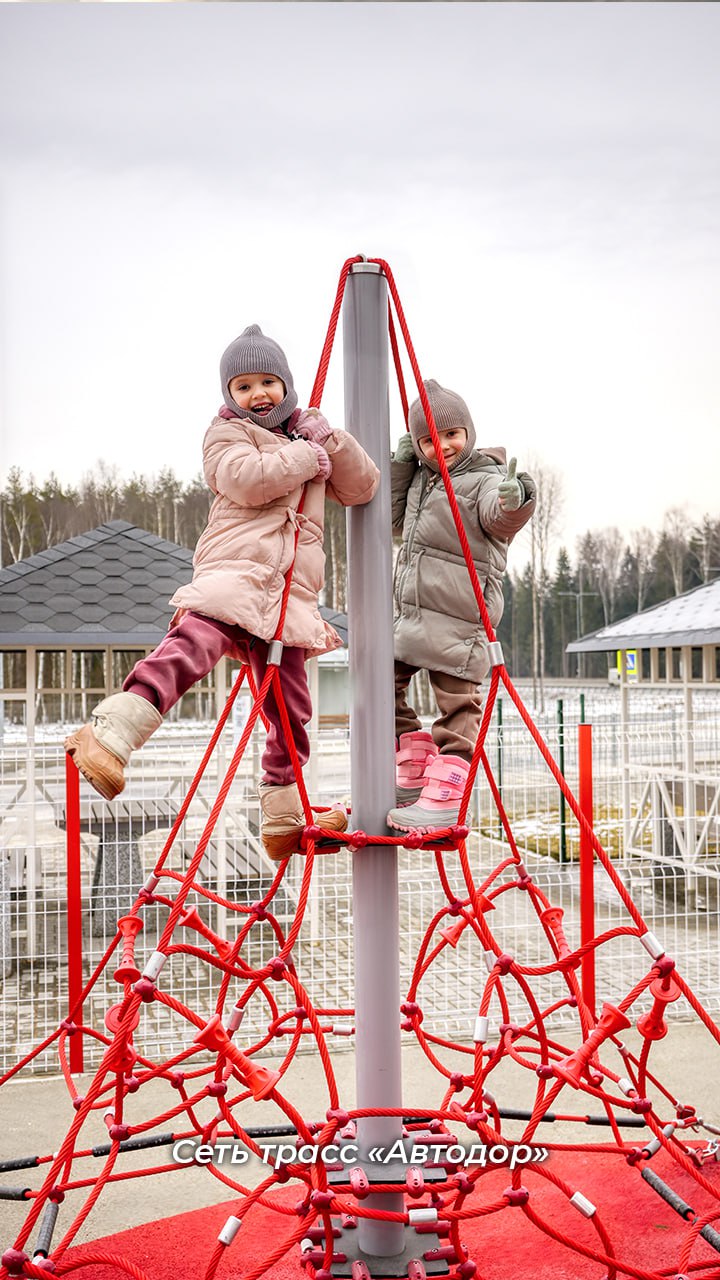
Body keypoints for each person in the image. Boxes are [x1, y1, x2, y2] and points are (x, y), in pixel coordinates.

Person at [66, 324, 380, 860]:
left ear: (286, 386)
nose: (257, 394)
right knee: (193, 646)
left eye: (267, 382)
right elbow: (247, 480)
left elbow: (362, 487)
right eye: (242, 386)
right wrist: (306, 458)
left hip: (288, 597)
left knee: (291, 707)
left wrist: (326, 438)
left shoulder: (305, 438)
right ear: (228, 396)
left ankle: (285, 814)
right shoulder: (226, 435)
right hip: (237, 572)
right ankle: (112, 731)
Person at [387, 379, 535, 833]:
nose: (443, 446)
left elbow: (499, 515)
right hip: (412, 614)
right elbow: (391, 520)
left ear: (468, 433)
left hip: (460, 618)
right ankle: (413, 767)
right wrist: (400, 466)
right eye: (429, 439)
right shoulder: (419, 483)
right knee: (377, 685)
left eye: (451, 435)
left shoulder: (485, 478)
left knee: (456, 706)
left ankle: (448, 795)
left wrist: (516, 499)